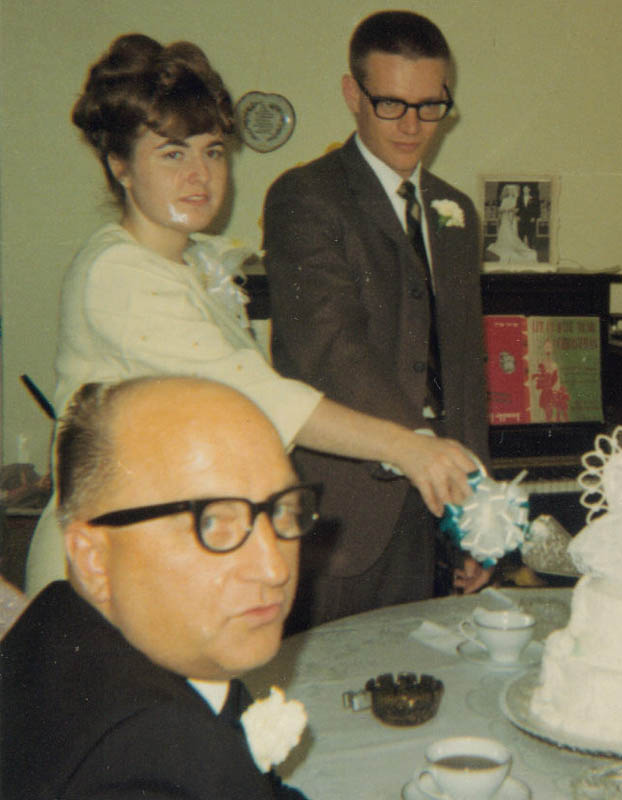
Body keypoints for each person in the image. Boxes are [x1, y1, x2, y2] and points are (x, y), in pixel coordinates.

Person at [24, 33, 478, 597]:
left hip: (178, 543)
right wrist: (407, 446)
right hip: (110, 559)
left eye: (213, 151)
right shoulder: (118, 272)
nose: (200, 175)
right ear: (120, 165)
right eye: (173, 154)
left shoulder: (195, 263)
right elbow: (256, 397)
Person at [263, 11, 491, 629]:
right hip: (344, 514)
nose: (413, 126)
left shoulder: (456, 211)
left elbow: (465, 367)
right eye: (391, 104)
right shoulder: (305, 197)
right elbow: (332, 348)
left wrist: (480, 511)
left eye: (430, 106)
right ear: (352, 94)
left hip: (436, 510)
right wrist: (426, 454)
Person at [1, 376, 312, 798]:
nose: (274, 569)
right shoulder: (148, 762)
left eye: (282, 509)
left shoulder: (60, 623)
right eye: (211, 522)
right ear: (94, 559)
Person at [486, 183, 538, 264]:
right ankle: (505, 244)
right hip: (505, 218)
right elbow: (501, 210)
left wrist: (513, 212)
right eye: (509, 191)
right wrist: (506, 210)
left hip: (513, 218)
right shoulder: (505, 200)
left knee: (513, 232)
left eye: (512, 191)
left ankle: (518, 245)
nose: (511, 192)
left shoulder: (516, 200)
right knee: (505, 231)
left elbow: (518, 209)